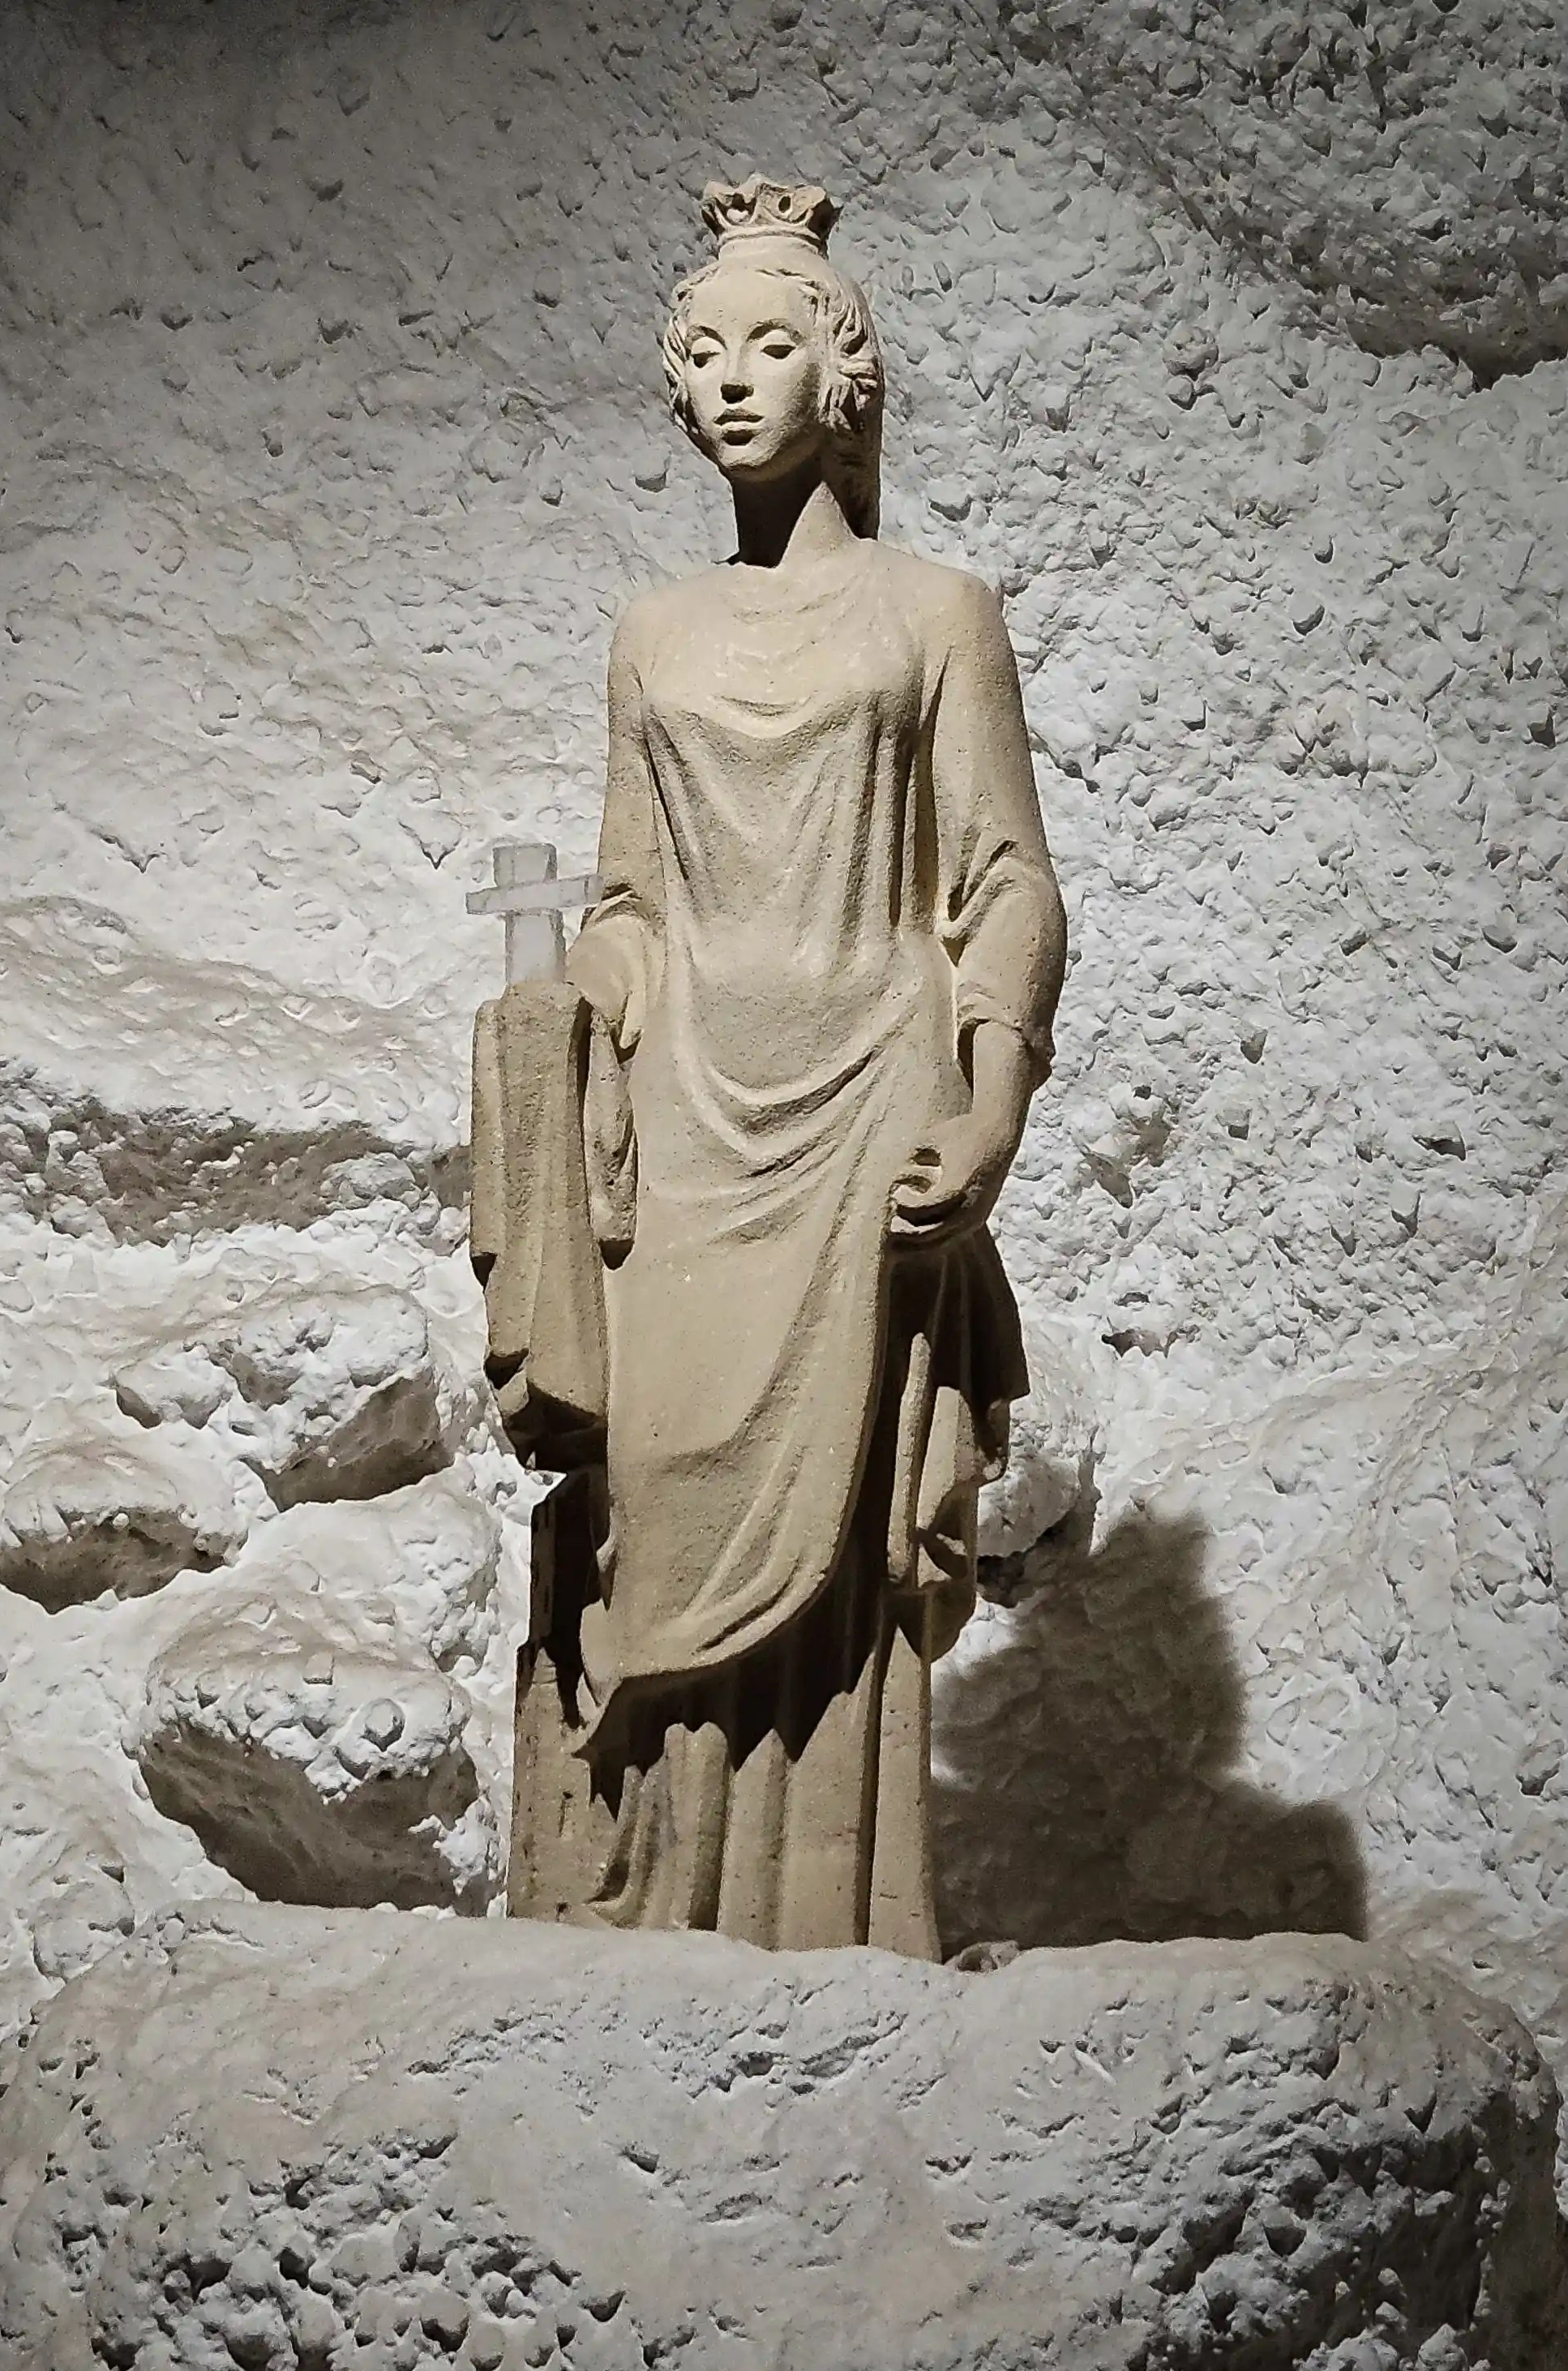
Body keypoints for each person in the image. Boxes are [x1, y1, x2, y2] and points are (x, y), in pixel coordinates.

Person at [546, 174, 1066, 1955]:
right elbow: (625, 895)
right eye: (705, 354)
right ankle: (662, 1919)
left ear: (844, 373)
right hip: (690, 1120)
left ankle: (838, 1927)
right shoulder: (651, 635)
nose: (735, 382)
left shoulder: (938, 612)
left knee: (838, 1542)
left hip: (864, 1100)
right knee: (665, 1499)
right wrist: (569, 1003)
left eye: (775, 344)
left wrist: (990, 1095)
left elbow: (1001, 874)